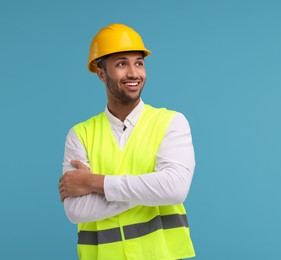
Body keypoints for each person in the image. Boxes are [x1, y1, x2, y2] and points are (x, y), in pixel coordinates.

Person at [58, 23, 196, 260]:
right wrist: (151, 189)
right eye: (122, 63)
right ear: (101, 73)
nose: (134, 73)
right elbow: (76, 210)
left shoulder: (171, 122)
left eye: (139, 63)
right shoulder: (80, 134)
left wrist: (95, 183)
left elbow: (174, 189)